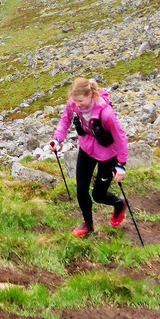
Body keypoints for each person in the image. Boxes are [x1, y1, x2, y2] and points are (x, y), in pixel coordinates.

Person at [48, 77, 129, 237]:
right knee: (81, 188)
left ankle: (118, 203)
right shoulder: (73, 104)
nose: (77, 104)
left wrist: (121, 164)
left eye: (80, 101)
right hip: (86, 149)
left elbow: (120, 137)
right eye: (75, 100)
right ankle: (88, 224)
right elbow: (65, 121)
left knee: (98, 195)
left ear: (91, 94)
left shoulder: (106, 113)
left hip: (107, 155)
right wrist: (57, 139)